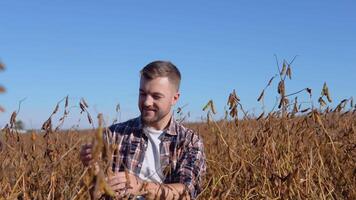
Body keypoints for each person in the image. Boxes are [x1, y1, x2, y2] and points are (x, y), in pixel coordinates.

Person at [80, 61, 206, 199]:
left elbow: (186, 193)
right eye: (142, 93)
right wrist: (94, 169)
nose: (146, 102)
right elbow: (96, 192)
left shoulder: (189, 142)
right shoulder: (114, 134)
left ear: (174, 98)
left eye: (156, 96)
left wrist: (141, 187)